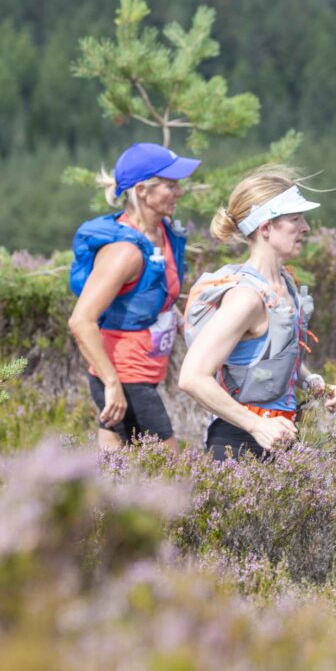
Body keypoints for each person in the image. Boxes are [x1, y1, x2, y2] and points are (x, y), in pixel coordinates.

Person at [179, 165, 336, 460]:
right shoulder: (246, 297)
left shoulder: (285, 283)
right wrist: (256, 425)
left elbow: (272, 355)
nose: (306, 227)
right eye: (295, 219)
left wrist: (313, 383)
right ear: (265, 228)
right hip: (238, 444)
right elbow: (192, 377)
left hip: (279, 436)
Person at [68, 142, 200, 450]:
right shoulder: (123, 253)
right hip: (124, 377)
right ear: (142, 191)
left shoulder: (164, 232)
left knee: (116, 467)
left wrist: (194, 335)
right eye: (171, 185)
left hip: (145, 372)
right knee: (170, 469)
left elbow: (158, 300)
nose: (180, 192)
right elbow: (81, 321)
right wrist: (112, 384)